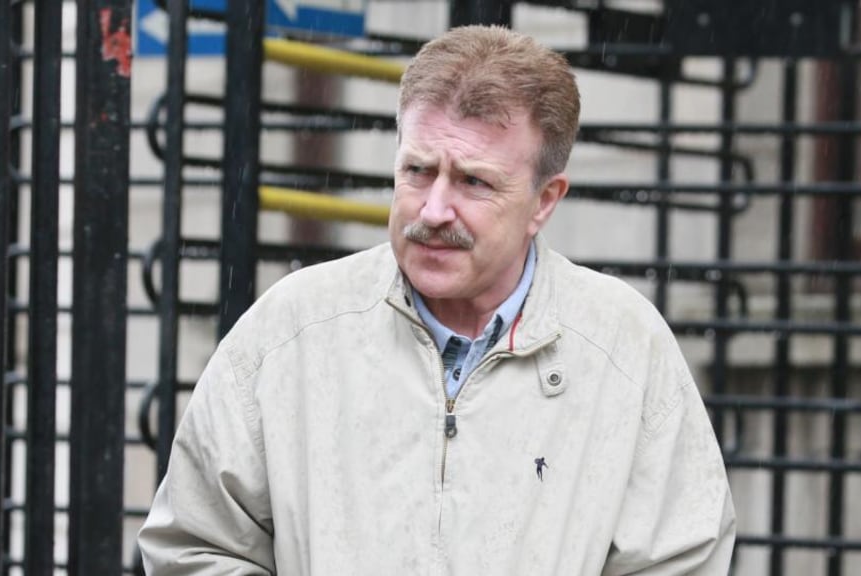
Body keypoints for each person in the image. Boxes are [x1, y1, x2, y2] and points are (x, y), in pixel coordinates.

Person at [139, 25, 735, 575]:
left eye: (474, 181)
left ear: (545, 200)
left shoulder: (626, 349)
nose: (433, 210)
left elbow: (683, 561)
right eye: (418, 170)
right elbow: (194, 545)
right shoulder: (290, 329)